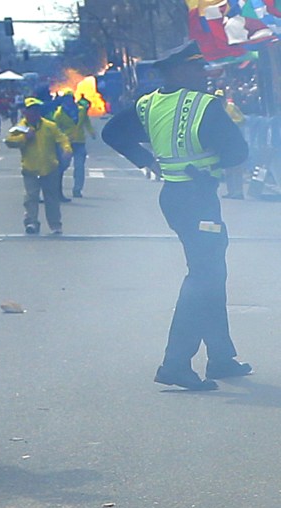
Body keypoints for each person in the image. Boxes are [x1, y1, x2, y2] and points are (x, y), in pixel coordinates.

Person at [103, 41, 251, 391]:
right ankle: (175, 363)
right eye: (197, 68)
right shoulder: (207, 105)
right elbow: (237, 154)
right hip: (199, 200)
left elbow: (111, 132)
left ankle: (220, 356)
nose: (203, 74)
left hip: (174, 197)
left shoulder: (149, 104)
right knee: (204, 278)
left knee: (211, 274)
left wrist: (145, 160)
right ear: (178, 70)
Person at [5, 97, 71, 236]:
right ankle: (31, 223)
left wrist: (66, 150)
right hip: (30, 169)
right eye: (32, 110)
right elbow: (9, 141)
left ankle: (55, 226)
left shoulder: (49, 126)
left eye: (37, 110)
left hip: (50, 168)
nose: (35, 113)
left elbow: (62, 138)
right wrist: (24, 138)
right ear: (26, 112)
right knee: (31, 198)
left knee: (52, 199)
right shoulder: (20, 127)